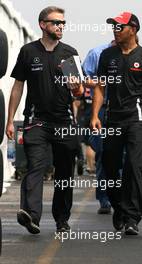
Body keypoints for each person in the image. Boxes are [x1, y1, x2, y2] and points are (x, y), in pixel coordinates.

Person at [6, 6, 83, 234]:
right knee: (35, 166)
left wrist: (76, 87)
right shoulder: (28, 51)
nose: (60, 26)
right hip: (36, 120)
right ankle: (31, 215)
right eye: (56, 22)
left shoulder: (69, 53)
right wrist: (10, 120)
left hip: (64, 121)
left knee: (64, 171)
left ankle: (62, 218)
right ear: (43, 24)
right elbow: (18, 86)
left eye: (63, 23)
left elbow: (78, 93)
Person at [91, 11, 142, 235]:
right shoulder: (107, 56)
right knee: (109, 168)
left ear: (133, 29)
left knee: (133, 167)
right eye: (114, 26)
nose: (115, 29)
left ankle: (132, 218)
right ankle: (119, 208)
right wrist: (94, 115)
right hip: (112, 118)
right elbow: (100, 88)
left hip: (136, 119)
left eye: (120, 26)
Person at [82, 42, 116, 214]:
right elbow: (83, 78)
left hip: (123, 109)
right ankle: (104, 199)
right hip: (101, 107)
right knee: (102, 153)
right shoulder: (96, 53)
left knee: (124, 156)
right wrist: (101, 85)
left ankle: (121, 198)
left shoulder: (134, 54)